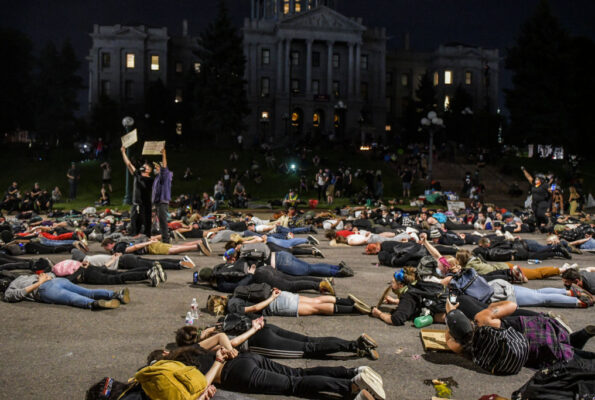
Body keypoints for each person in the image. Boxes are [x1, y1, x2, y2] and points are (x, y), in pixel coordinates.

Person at [444, 300, 595, 375]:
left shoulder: (459, 347)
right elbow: (512, 305)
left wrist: (450, 319)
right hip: (530, 331)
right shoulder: (481, 319)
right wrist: (491, 307)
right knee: (557, 339)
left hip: (527, 353)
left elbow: (449, 337)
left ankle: (582, 338)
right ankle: (580, 335)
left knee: (563, 352)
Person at [176, 318, 380, 360]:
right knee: (311, 339)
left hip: (260, 342)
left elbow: (232, 342)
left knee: (308, 349)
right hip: (266, 330)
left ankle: (355, 346)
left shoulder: (201, 346)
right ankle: (355, 344)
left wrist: (252, 330)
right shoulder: (209, 328)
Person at [207, 288, 370, 318]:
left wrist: (271, 299)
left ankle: (353, 309)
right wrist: (273, 294)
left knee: (315, 309)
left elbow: (255, 308)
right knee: (315, 300)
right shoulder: (235, 293)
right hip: (278, 293)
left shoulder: (232, 306)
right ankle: (346, 301)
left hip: (275, 304)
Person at [3, 272, 129, 310]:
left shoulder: (10, 289)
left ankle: (94, 304)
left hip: (44, 288)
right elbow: (45, 274)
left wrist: (40, 282)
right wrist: (47, 277)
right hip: (55, 281)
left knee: (72, 298)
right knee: (87, 291)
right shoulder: (21, 277)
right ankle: (115, 295)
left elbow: (19, 294)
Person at [120, 146, 153, 236]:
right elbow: (129, 164)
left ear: (149, 170)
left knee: (146, 226)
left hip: (145, 206)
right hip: (135, 205)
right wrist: (123, 152)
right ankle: (135, 240)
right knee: (134, 226)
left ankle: (147, 241)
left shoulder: (150, 180)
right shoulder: (137, 174)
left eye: (145, 166)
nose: (142, 167)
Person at [152, 147, 173, 243]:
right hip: (158, 202)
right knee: (160, 222)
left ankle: (166, 240)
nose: (155, 169)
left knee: (163, 222)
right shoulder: (158, 178)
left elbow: (164, 167)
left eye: (157, 167)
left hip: (162, 202)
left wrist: (163, 154)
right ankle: (165, 238)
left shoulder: (165, 175)